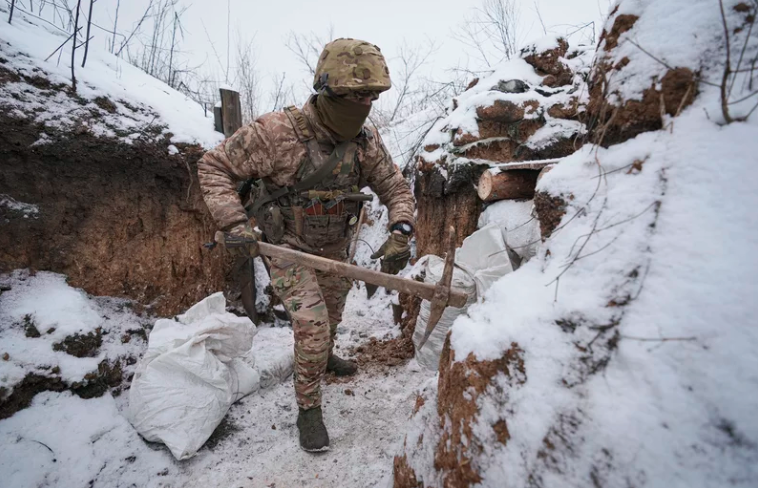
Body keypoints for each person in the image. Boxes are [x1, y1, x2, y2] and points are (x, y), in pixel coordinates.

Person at [197, 38, 416, 452]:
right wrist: (235, 223)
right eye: (354, 96)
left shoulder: (366, 141)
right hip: (288, 247)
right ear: (326, 90)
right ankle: (309, 408)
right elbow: (214, 165)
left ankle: (324, 356)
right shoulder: (277, 133)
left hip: (335, 247)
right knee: (312, 325)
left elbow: (394, 186)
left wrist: (401, 229)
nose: (363, 104)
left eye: (370, 97)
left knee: (331, 319)